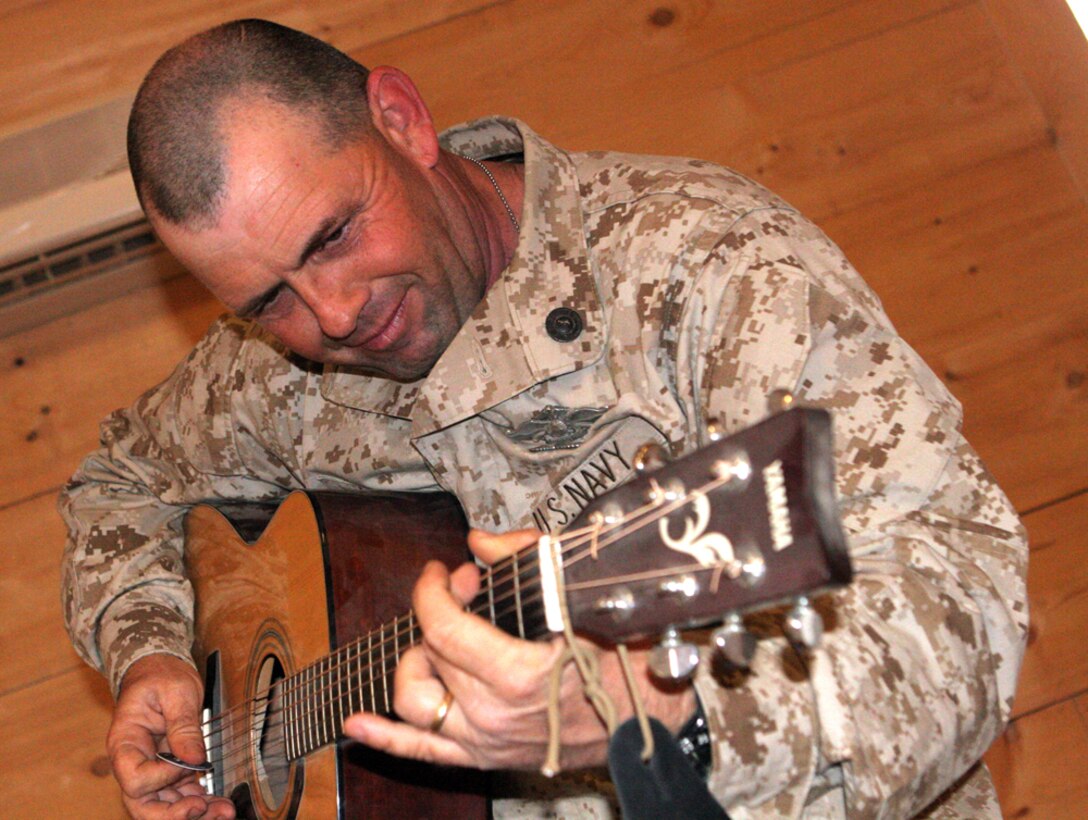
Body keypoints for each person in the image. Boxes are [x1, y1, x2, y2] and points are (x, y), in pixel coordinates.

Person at [60, 18, 1028, 820]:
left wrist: (654, 719)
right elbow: (122, 483)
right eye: (268, 297)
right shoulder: (266, 371)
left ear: (400, 121)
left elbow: (963, 611)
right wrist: (149, 647)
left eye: (335, 235)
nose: (333, 314)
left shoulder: (704, 267)